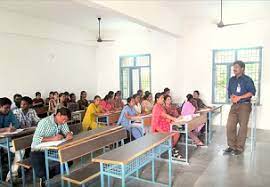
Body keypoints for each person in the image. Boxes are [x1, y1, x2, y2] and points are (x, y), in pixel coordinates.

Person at [30, 108, 73, 186]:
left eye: (66, 121)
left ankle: (47, 176)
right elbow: (36, 139)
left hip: (52, 149)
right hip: (38, 150)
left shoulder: (62, 122)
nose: (64, 122)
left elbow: (66, 131)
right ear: (58, 115)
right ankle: (44, 177)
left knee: (69, 160)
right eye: (63, 120)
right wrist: (52, 138)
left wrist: (68, 134)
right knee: (41, 172)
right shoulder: (44, 122)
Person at [224, 60, 256, 155]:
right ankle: (231, 146)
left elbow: (252, 92)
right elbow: (229, 92)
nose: (234, 69)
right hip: (234, 106)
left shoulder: (247, 79)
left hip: (244, 105)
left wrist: (239, 97)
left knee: (242, 127)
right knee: (230, 126)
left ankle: (239, 148)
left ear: (242, 68)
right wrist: (232, 97)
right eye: (234, 67)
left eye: (237, 67)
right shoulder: (231, 80)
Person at [6, 96, 40, 181]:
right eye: (21, 104)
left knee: (37, 145)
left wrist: (40, 124)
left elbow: (37, 120)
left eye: (24, 104)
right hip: (17, 136)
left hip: (28, 133)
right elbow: (15, 125)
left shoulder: (32, 111)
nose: (22, 106)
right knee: (21, 150)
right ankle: (13, 175)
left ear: (29, 105)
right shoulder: (16, 112)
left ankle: (36, 168)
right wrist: (19, 126)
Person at [151, 93, 180, 158]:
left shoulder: (161, 106)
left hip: (164, 124)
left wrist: (172, 120)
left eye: (163, 98)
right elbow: (165, 115)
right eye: (161, 98)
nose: (163, 99)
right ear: (157, 99)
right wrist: (174, 119)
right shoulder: (156, 106)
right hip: (158, 127)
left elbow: (165, 116)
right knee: (174, 134)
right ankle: (171, 149)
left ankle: (171, 148)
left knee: (177, 133)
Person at [0, 97, 20, 181]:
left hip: (6, 140)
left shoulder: (10, 113)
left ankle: (11, 176)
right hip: (3, 140)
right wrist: (6, 129)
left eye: (9, 108)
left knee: (20, 150)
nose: (8, 110)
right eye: (6, 108)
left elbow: (17, 124)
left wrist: (14, 128)